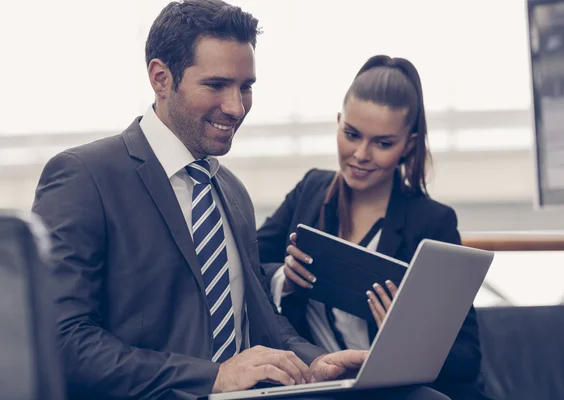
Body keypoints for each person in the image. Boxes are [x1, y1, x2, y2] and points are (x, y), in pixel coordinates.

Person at [31, 1, 449, 399]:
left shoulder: (231, 192)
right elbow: (59, 341)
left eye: (245, 87)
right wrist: (214, 377)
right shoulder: (84, 176)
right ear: (160, 78)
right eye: (216, 85)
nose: (236, 107)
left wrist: (316, 362)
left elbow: (267, 324)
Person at [257, 56, 489, 400]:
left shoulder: (432, 223)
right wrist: (284, 281)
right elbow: (246, 266)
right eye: (351, 134)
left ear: (408, 145)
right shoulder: (310, 191)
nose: (361, 154)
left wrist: (407, 336)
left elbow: (467, 358)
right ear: (338, 123)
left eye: (382, 143)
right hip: (319, 389)